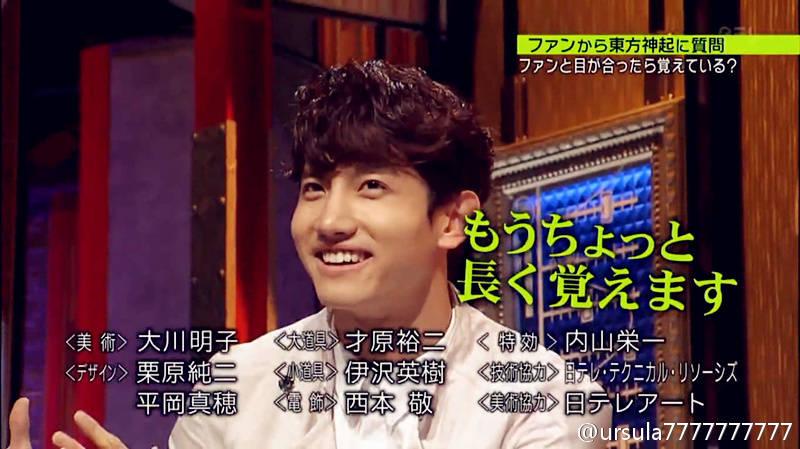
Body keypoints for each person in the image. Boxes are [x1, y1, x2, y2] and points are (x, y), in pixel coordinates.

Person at [6, 60, 610, 449]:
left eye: (371, 186)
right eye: (315, 188)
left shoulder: (546, 400)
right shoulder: (232, 395)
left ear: (451, 219)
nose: (329, 222)